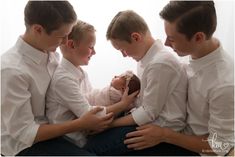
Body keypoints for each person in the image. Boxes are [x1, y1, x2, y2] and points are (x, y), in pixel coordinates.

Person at [123, 1, 234, 156]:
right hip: (173, 131)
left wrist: (165, 135)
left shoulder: (224, 84)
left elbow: (220, 147)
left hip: (191, 149)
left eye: (172, 38)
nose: (167, 43)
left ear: (198, 37)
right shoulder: (189, 55)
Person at [1, 1, 111, 156]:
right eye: (62, 37)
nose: (66, 43)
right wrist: (80, 123)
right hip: (23, 145)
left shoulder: (52, 55)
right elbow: (25, 133)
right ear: (38, 29)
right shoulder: (11, 70)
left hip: (56, 132)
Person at [84, 10, 196, 156]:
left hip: (159, 128)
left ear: (136, 37)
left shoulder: (160, 63)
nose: (124, 55)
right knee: (91, 137)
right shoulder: (146, 59)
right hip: (147, 120)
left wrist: (109, 125)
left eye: (123, 49)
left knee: (91, 149)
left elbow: (148, 113)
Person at [46, 20, 138, 149]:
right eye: (91, 47)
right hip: (74, 142)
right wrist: (123, 104)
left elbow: (93, 100)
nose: (94, 52)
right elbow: (92, 116)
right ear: (72, 45)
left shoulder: (80, 73)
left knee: (135, 124)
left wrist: (115, 95)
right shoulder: (63, 79)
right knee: (135, 131)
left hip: (87, 134)